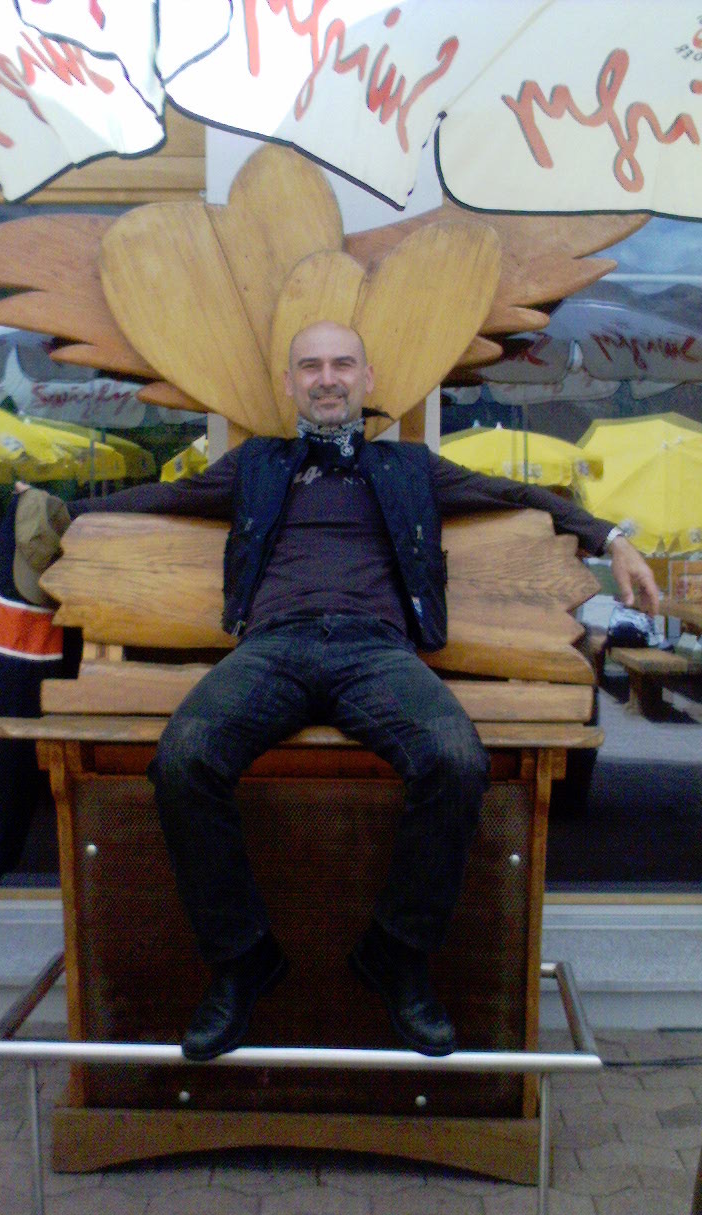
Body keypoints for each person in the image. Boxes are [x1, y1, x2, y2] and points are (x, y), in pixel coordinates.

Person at [57, 321, 659, 1061]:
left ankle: (398, 953)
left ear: (367, 380)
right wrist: (58, 516)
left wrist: (612, 539)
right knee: (183, 759)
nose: (327, 378)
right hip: (272, 648)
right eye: (311, 366)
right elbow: (165, 498)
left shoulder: (410, 466)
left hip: (377, 652)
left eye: (342, 364)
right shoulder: (256, 464)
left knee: (455, 760)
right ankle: (241, 958)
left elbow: (516, 493)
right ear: (290, 384)